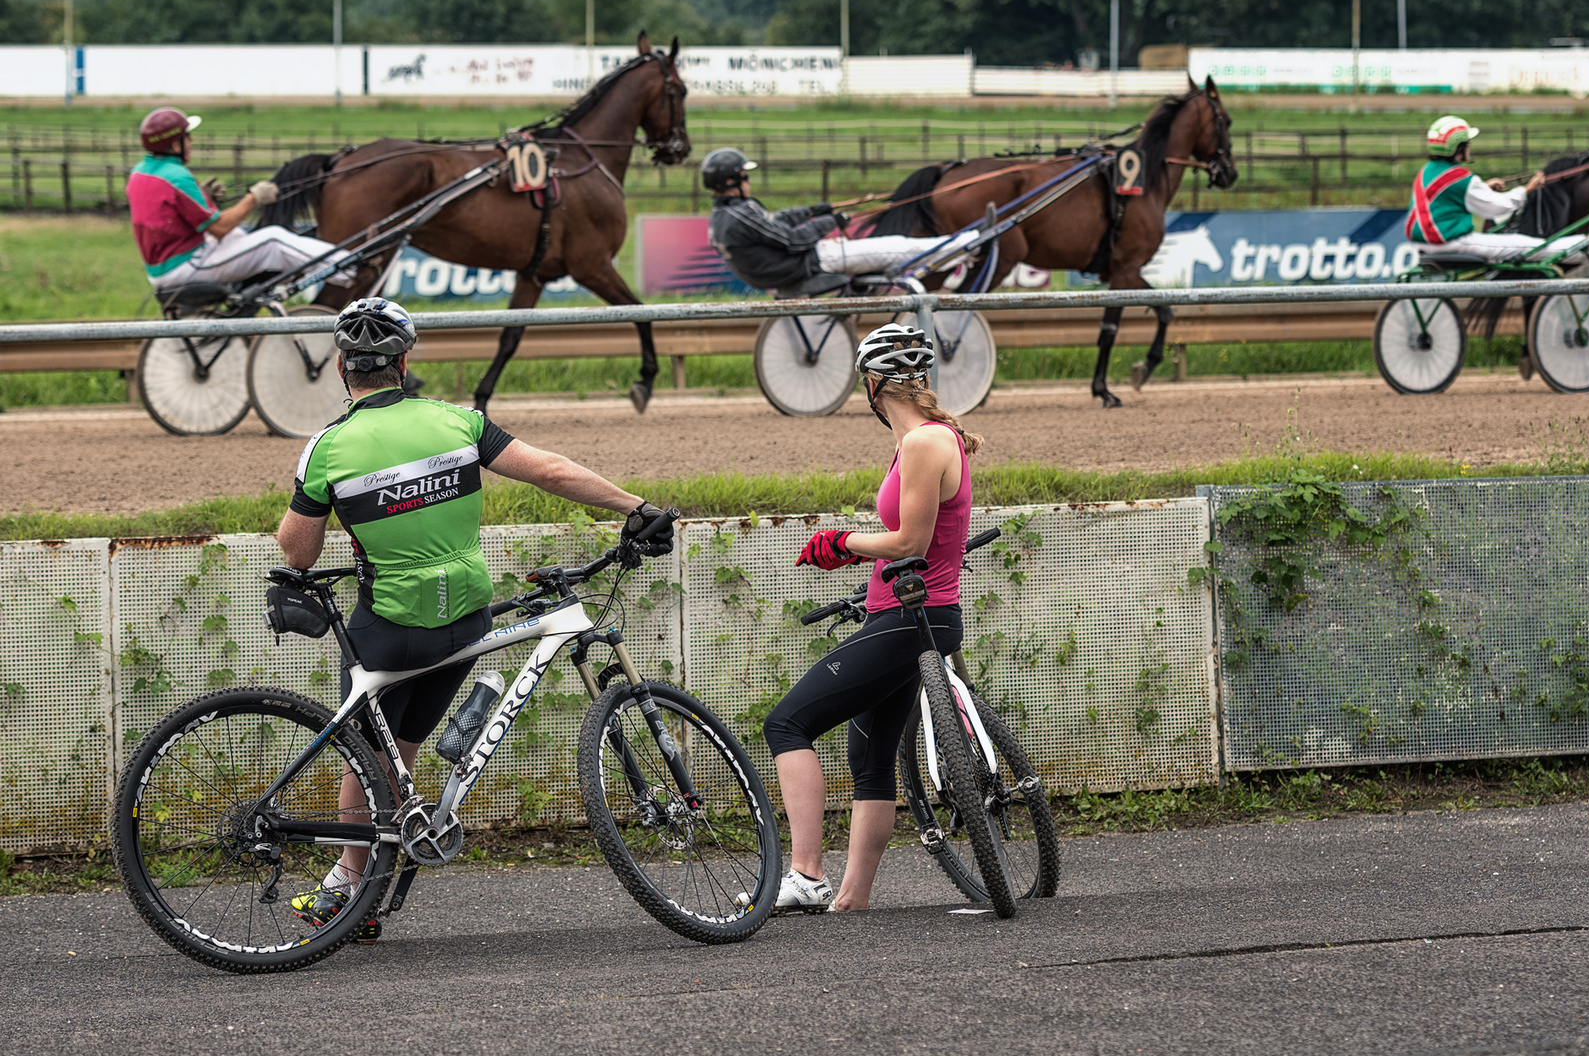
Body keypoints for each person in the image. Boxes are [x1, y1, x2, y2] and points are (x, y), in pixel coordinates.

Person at [275, 297, 672, 941]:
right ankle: (369, 881)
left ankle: (349, 884)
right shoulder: (460, 421)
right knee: (399, 750)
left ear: (342, 368)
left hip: (391, 627)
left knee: (366, 758)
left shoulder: (327, 449)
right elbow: (548, 470)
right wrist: (637, 506)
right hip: (466, 621)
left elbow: (298, 551)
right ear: (404, 363)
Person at [762, 323, 981, 913]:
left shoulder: (923, 444)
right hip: (908, 611)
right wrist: (864, 574)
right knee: (871, 759)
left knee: (787, 725)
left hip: (910, 620)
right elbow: (924, 546)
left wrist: (843, 541)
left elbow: (911, 537)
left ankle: (806, 873)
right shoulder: (929, 440)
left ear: (873, 382)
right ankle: (853, 897)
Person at [127, 106, 355, 290]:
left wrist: (203, 197)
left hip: (164, 265)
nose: (192, 141)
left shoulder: (140, 171)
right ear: (175, 144)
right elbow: (219, 227)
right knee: (273, 239)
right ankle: (349, 267)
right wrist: (253, 198)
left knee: (240, 236)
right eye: (187, 136)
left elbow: (167, 210)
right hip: (185, 266)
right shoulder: (176, 176)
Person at [703, 147, 974, 293]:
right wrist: (832, 221)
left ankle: (960, 248)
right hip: (812, 262)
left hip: (800, 264)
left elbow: (779, 221)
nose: (749, 181)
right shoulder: (739, 215)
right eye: (745, 176)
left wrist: (818, 210)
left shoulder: (724, 217)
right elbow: (793, 240)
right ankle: (968, 244)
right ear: (731, 181)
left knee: (897, 248)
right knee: (898, 247)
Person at [1406, 115, 1582, 264]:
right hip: (1451, 242)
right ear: (1458, 147)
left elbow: (1449, 195)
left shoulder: (1427, 171)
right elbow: (1497, 207)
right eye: (1467, 143)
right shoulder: (1459, 177)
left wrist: (1484, 187)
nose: (1469, 147)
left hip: (1425, 243)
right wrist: (1527, 190)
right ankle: (1584, 247)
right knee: (1526, 245)